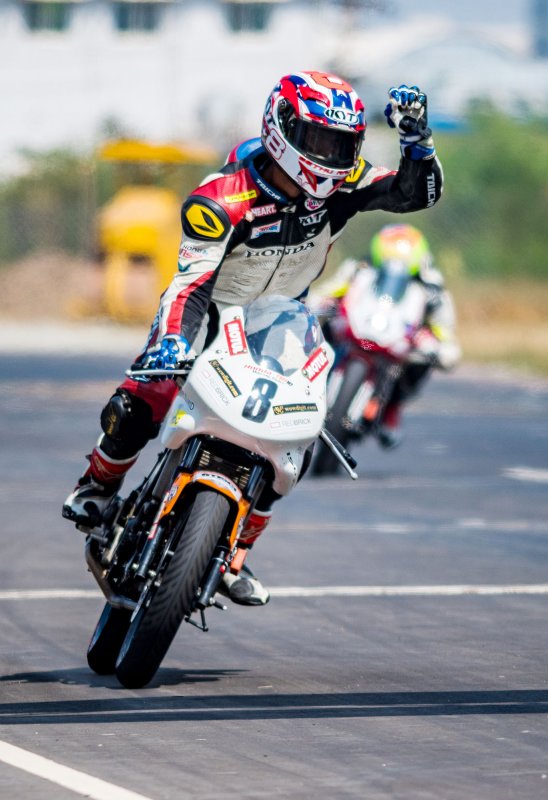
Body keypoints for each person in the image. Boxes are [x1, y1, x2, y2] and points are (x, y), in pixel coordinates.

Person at [62, 73, 443, 604]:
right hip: (208, 308)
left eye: (341, 144)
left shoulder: (345, 183)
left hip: (280, 318)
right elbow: (189, 283)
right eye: (318, 141)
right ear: (281, 128)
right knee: (146, 394)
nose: (330, 158)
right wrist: (171, 344)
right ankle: (98, 486)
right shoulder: (218, 199)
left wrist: (416, 143)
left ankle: (236, 553)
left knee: (298, 434)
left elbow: (413, 194)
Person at [310, 223, 461, 449]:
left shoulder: (431, 285)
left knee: (421, 363)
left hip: (401, 341)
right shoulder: (359, 269)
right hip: (357, 328)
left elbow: (444, 326)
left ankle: (392, 410)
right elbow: (328, 291)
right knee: (319, 328)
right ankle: (308, 386)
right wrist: (320, 304)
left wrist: (442, 345)